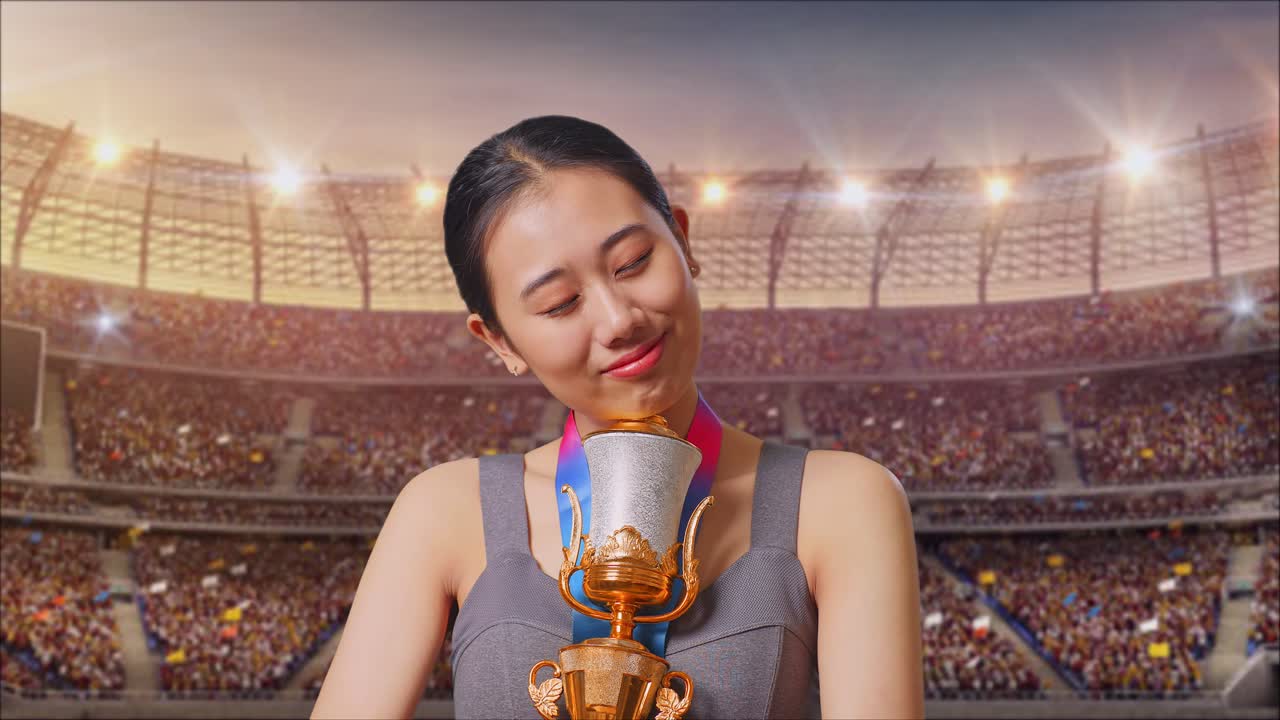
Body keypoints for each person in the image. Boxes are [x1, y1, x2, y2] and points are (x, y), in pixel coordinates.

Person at [312, 115, 923, 719]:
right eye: (559, 304)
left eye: (632, 263)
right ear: (499, 341)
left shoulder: (843, 501)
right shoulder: (442, 512)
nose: (618, 319)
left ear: (683, 242)